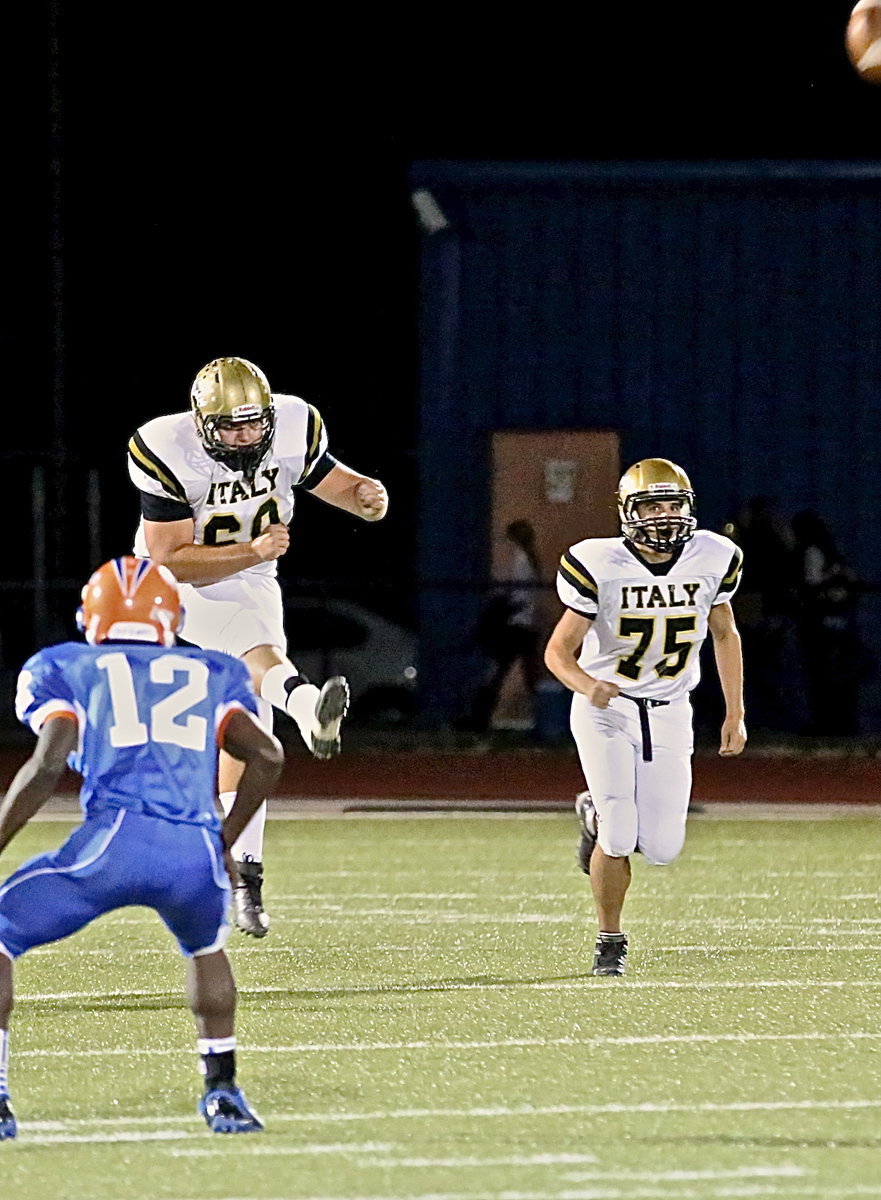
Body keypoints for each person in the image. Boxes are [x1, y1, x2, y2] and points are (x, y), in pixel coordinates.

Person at [0, 557, 285, 1141]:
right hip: (193, 857)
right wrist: (222, 841)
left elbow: (49, 762)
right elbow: (270, 755)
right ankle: (223, 1093)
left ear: (92, 614)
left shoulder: (67, 666)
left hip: (115, 841)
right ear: (169, 617)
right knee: (206, 946)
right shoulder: (213, 672)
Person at [127, 356, 388, 937]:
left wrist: (367, 496)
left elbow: (335, 482)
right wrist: (256, 551)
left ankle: (246, 877)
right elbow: (172, 556)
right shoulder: (164, 446)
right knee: (252, 645)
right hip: (176, 578)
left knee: (251, 719)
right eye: (231, 426)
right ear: (200, 422)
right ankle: (306, 706)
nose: (246, 436)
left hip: (253, 571)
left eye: (254, 424)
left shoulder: (295, 424)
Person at [544, 458, 747, 977]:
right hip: (607, 711)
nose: (665, 516)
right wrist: (590, 686)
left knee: (662, 847)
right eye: (652, 505)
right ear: (627, 512)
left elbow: (724, 633)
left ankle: (593, 814)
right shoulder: (598, 561)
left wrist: (735, 711)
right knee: (619, 833)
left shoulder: (713, 555)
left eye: (674, 504)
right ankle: (609, 938)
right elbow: (557, 653)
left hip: (673, 709)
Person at [459, 519, 544, 735]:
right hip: (526, 625)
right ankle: (543, 719)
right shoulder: (530, 560)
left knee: (498, 672)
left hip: (516, 625)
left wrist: (500, 605)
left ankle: (480, 719)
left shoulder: (522, 560)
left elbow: (518, 594)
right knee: (527, 674)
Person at [791, 509, 864, 736]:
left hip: (823, 624)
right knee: (828, 676)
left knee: (826, 676)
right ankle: (832, 722)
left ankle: (832, 723)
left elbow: (813, 585)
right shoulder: (829, 553)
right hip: (833, 623)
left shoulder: (813, 551)